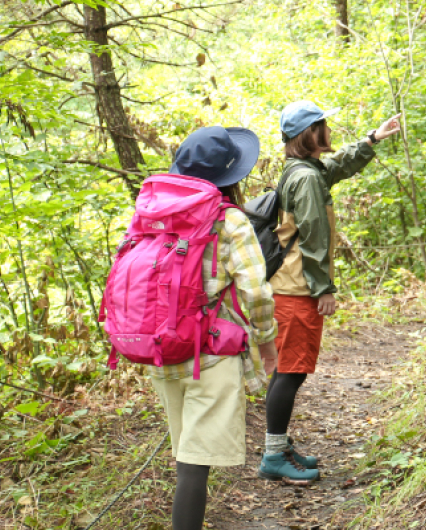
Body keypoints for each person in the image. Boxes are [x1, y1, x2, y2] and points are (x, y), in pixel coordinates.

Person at [257, 101, 402, 482]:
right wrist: (324, 289)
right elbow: (314, 237)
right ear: (310, 133)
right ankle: (273, 456)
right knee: (290, 372)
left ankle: (280, 446)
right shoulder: (305, 178)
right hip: (297, 290)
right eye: (323, 124)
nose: (328, 129)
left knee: (291, 371)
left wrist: (372, 140)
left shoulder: (303, 170)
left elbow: (334, 168)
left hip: (291, 288)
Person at [150, 126, 280, 528]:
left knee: (186, 454)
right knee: (195, 464)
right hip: (210, 353)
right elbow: (256, 292)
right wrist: (267, 341)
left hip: (162, 349)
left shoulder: (154, 214)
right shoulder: (229, 221)